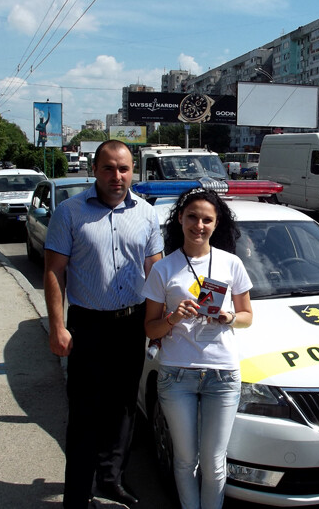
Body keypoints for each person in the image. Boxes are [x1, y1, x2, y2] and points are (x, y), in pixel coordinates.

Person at [43, 140, 163, 508]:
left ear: (133, 171)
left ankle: (111, 480)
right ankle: (77, 494)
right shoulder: (69, 212)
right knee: (84, 413)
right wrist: (57, 325)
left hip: (130, 327)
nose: (117, 176)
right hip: (88, 327)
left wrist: (161, 323)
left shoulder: (146, 214)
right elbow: (53, 271)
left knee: (123, 409)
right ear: (94, 170)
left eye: (124, 168)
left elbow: (155, 272)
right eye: (109, 168)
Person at [142, 188, 253, 509]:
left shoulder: (231, 264)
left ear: (217, 224)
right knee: (185, 458)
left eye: (207, 219)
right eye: (192, 217)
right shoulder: (163, 269)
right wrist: (173, 317)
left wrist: (229, 316)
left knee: (215, 462)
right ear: (180, 218)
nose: (199, 225)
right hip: (177, 375)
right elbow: (150, 328)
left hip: (223, 375)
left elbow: (247, 317)